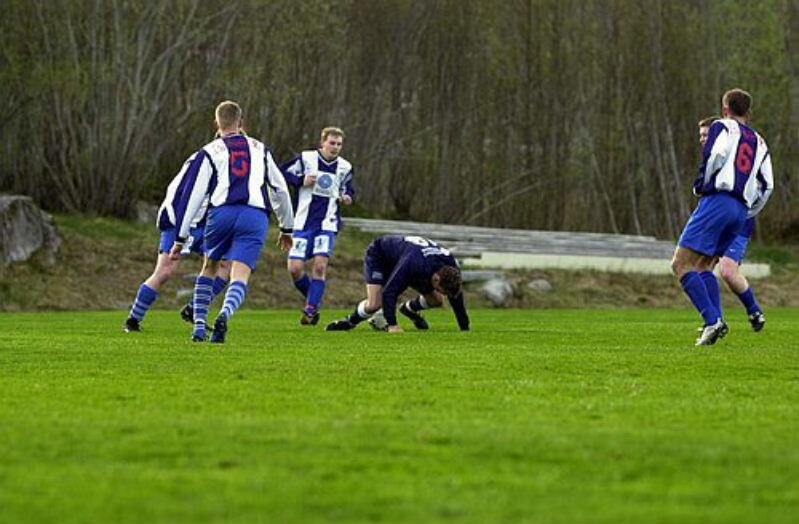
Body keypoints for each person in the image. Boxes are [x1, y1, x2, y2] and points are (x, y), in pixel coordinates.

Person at [170, 100, 294, 343]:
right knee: (240, 273)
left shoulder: (209, 151)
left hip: (222, 213)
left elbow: (193, 196)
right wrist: (286, 227)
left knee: (210, 267)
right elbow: (280, 189)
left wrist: (180, 237)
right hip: (254, 216)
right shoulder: (260, 149)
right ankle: (225, 314)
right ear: (241, 122)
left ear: (216, 123)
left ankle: (198, 327)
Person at [671, 89, 774, 346]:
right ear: (748, 111)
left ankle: (712, 321)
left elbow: (715, 155)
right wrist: (748, 210)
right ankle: (715, 322)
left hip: (718, 199)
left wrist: (702, 185)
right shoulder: (760, 142)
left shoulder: (722, 126)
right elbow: (767, 185)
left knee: (681, 264)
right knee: (704, 265)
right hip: (741, 211)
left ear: (725, 109)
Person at [123, 155, 231, 333]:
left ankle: (193, 309)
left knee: (225, 265)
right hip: (178, 220)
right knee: (165, 271)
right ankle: (133, 320)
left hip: (203, 224)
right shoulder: (205, 159)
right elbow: (182, 192)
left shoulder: (222, 161)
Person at [696, 117, 766, 332]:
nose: (703, 139)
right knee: (703, 266)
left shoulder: (736, 151)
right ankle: (716, 321)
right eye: (701, 135)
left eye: (707, 134)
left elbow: (763, 185)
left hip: (739, 216)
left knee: (727, 270)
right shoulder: (715, 157)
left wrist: (749, 210)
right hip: (718, 215)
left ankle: (754, 310)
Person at [282, 127, 355, 325]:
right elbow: (282, 173)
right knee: (295, 269)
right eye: (332, 143)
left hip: (327, 224)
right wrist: (301, 180)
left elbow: (348, 189)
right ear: (322, 142)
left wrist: (347, 197)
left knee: (320, 266)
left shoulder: (345, 167)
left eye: (339, 144)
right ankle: (314, 299)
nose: (335, 147)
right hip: (302, 223)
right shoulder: (306, 159)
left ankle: (310, 309)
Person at [325, 235, 470, 333]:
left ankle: (408, 309)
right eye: (442, 290)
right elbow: (390, 292)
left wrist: (464, 327)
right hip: (381, 255)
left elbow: (456, 296)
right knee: (375, 304)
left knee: (437, 301)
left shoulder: (451, 266)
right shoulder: (414, 265)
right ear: (436, 279)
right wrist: (393, 325)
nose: (444, 294)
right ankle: (350, 321)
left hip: (409, 258)